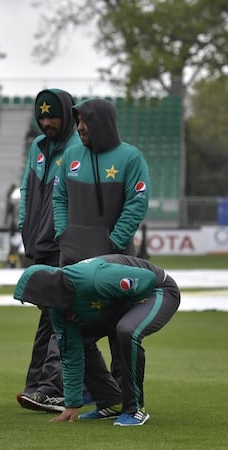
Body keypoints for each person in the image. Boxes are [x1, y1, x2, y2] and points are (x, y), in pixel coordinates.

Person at [52, 97, 151, 419]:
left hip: (117, 262)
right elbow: (59, 196)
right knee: (75, 333)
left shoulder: (130, 157)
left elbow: (137, 202)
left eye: (85, 121)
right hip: (75, 262)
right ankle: (107, 399)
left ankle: (128, 402)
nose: (79, 127)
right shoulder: (71, 156)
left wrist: (112, 244)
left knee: (120, 332)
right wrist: (66, 236)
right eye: (77, 121)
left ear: (101, 123)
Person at [13, 254, 181, 426]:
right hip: (119, 302)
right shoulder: (58, 308)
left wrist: (121, 315)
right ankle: (111, 402)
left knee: (127, 330)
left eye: (37, 301)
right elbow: (71, 354)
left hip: (159, 289)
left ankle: (134, 409)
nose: (39, 306)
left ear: (50, 290)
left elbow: (147, 280)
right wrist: (71, 405)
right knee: (78, 341)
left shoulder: (93, 279)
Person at [16, 89, 82, 413]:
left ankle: (51, 387)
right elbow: (27, 188)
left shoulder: (78, 148)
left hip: (64, 245)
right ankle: (38, 385)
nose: (46, 122)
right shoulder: (38, 147)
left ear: (68, 114)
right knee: (48, 317)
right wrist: (24, 225)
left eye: (52, 116)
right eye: (42, 117)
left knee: (60, 317)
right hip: (39, 243)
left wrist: (66, 238)